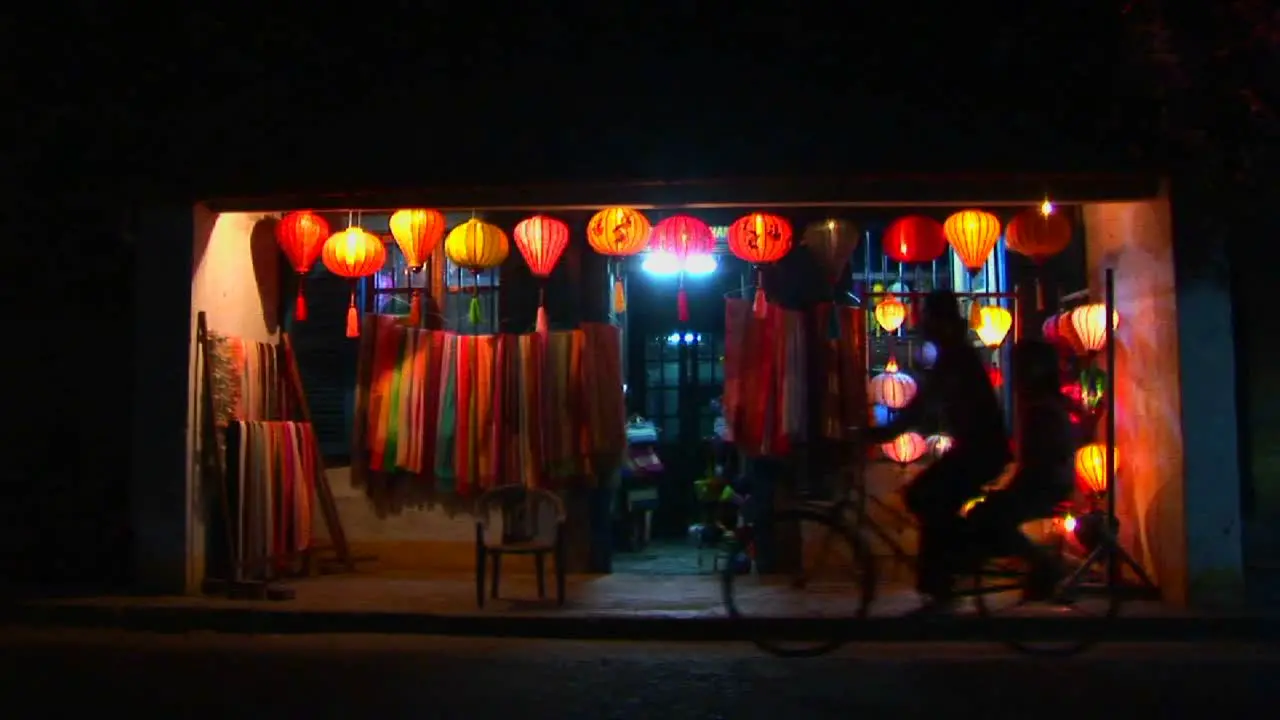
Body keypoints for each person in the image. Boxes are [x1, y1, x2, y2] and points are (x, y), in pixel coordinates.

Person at [862, 290, 1012, 611]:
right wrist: (885, 431)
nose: (922, 323)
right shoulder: (951, 354)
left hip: (982, 451)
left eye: (927, 315)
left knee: (926, 497)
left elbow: (920, 406)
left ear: (940, 321)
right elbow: (924, 404)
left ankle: (945, 574)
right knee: (928, 500)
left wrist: (882, 432)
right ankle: (944, 573)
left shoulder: (955, 357)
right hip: (976, 449)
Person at [965, 339, 1076, 599]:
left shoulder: (1042, 410)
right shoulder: (1042, 405)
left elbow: (1039, 462)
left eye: (1020, 368)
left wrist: (1008, 490)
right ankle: (1037, 565)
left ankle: (1042, 564)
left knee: (990, 516)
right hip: (1042, 482)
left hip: (1044, 485)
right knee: (988, 513)